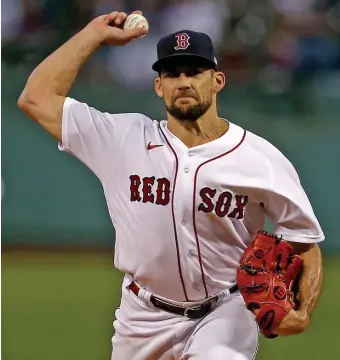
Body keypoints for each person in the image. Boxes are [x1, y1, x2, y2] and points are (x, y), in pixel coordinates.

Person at [18, 9, 324, 360]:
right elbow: (36, 98)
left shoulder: (260, 158)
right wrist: (93, 34)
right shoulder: (123, 139)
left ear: (218, 80)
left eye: (195, 71)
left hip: (225, 311)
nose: (184, 81)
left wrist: (303, 311)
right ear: (159, 85)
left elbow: (304, 243)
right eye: (172, 73)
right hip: (141, 317)